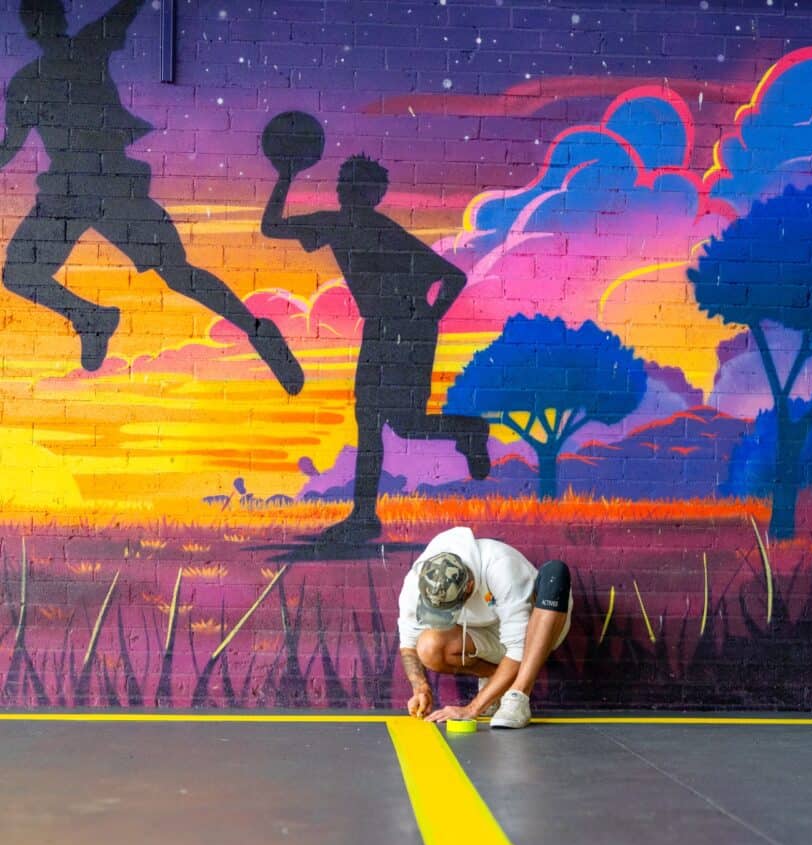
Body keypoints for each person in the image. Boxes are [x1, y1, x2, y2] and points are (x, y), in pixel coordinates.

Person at [0, 0, 303, 393]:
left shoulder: (87, 46)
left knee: (177, 272)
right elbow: (10, 148)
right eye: (37, 20)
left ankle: (258, 331)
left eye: (48, 16)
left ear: (56, 19)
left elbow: (125, 10)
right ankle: (91, 318)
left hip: (110, 184)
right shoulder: (27, 83)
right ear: (31, 29)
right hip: (69, 192)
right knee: (20, 273)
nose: (45, 25)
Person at [261, 148, 491, 546]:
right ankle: (366, 514)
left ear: (372, 194)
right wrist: (286, 173)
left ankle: (467, 432)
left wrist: (427, 318)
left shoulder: (384, 231)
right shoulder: (335, 225)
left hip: (407, 329)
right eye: (341, 184)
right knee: (383, 423)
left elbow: (451, 276)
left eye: (354, 185)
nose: (344, 190)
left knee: (390, 423)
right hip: (383, 328)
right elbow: (272, 227)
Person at [397, 527, 572, 730]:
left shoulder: (500, 566)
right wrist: (420, 687)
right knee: (428, 647)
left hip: (537, 631)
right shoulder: (419, 581)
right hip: (489, 636)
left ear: (469, 586)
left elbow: (518, 646)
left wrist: (472, 708)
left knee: (555, 573)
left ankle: (517, 696)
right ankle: (494, 685)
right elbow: (408, 642)